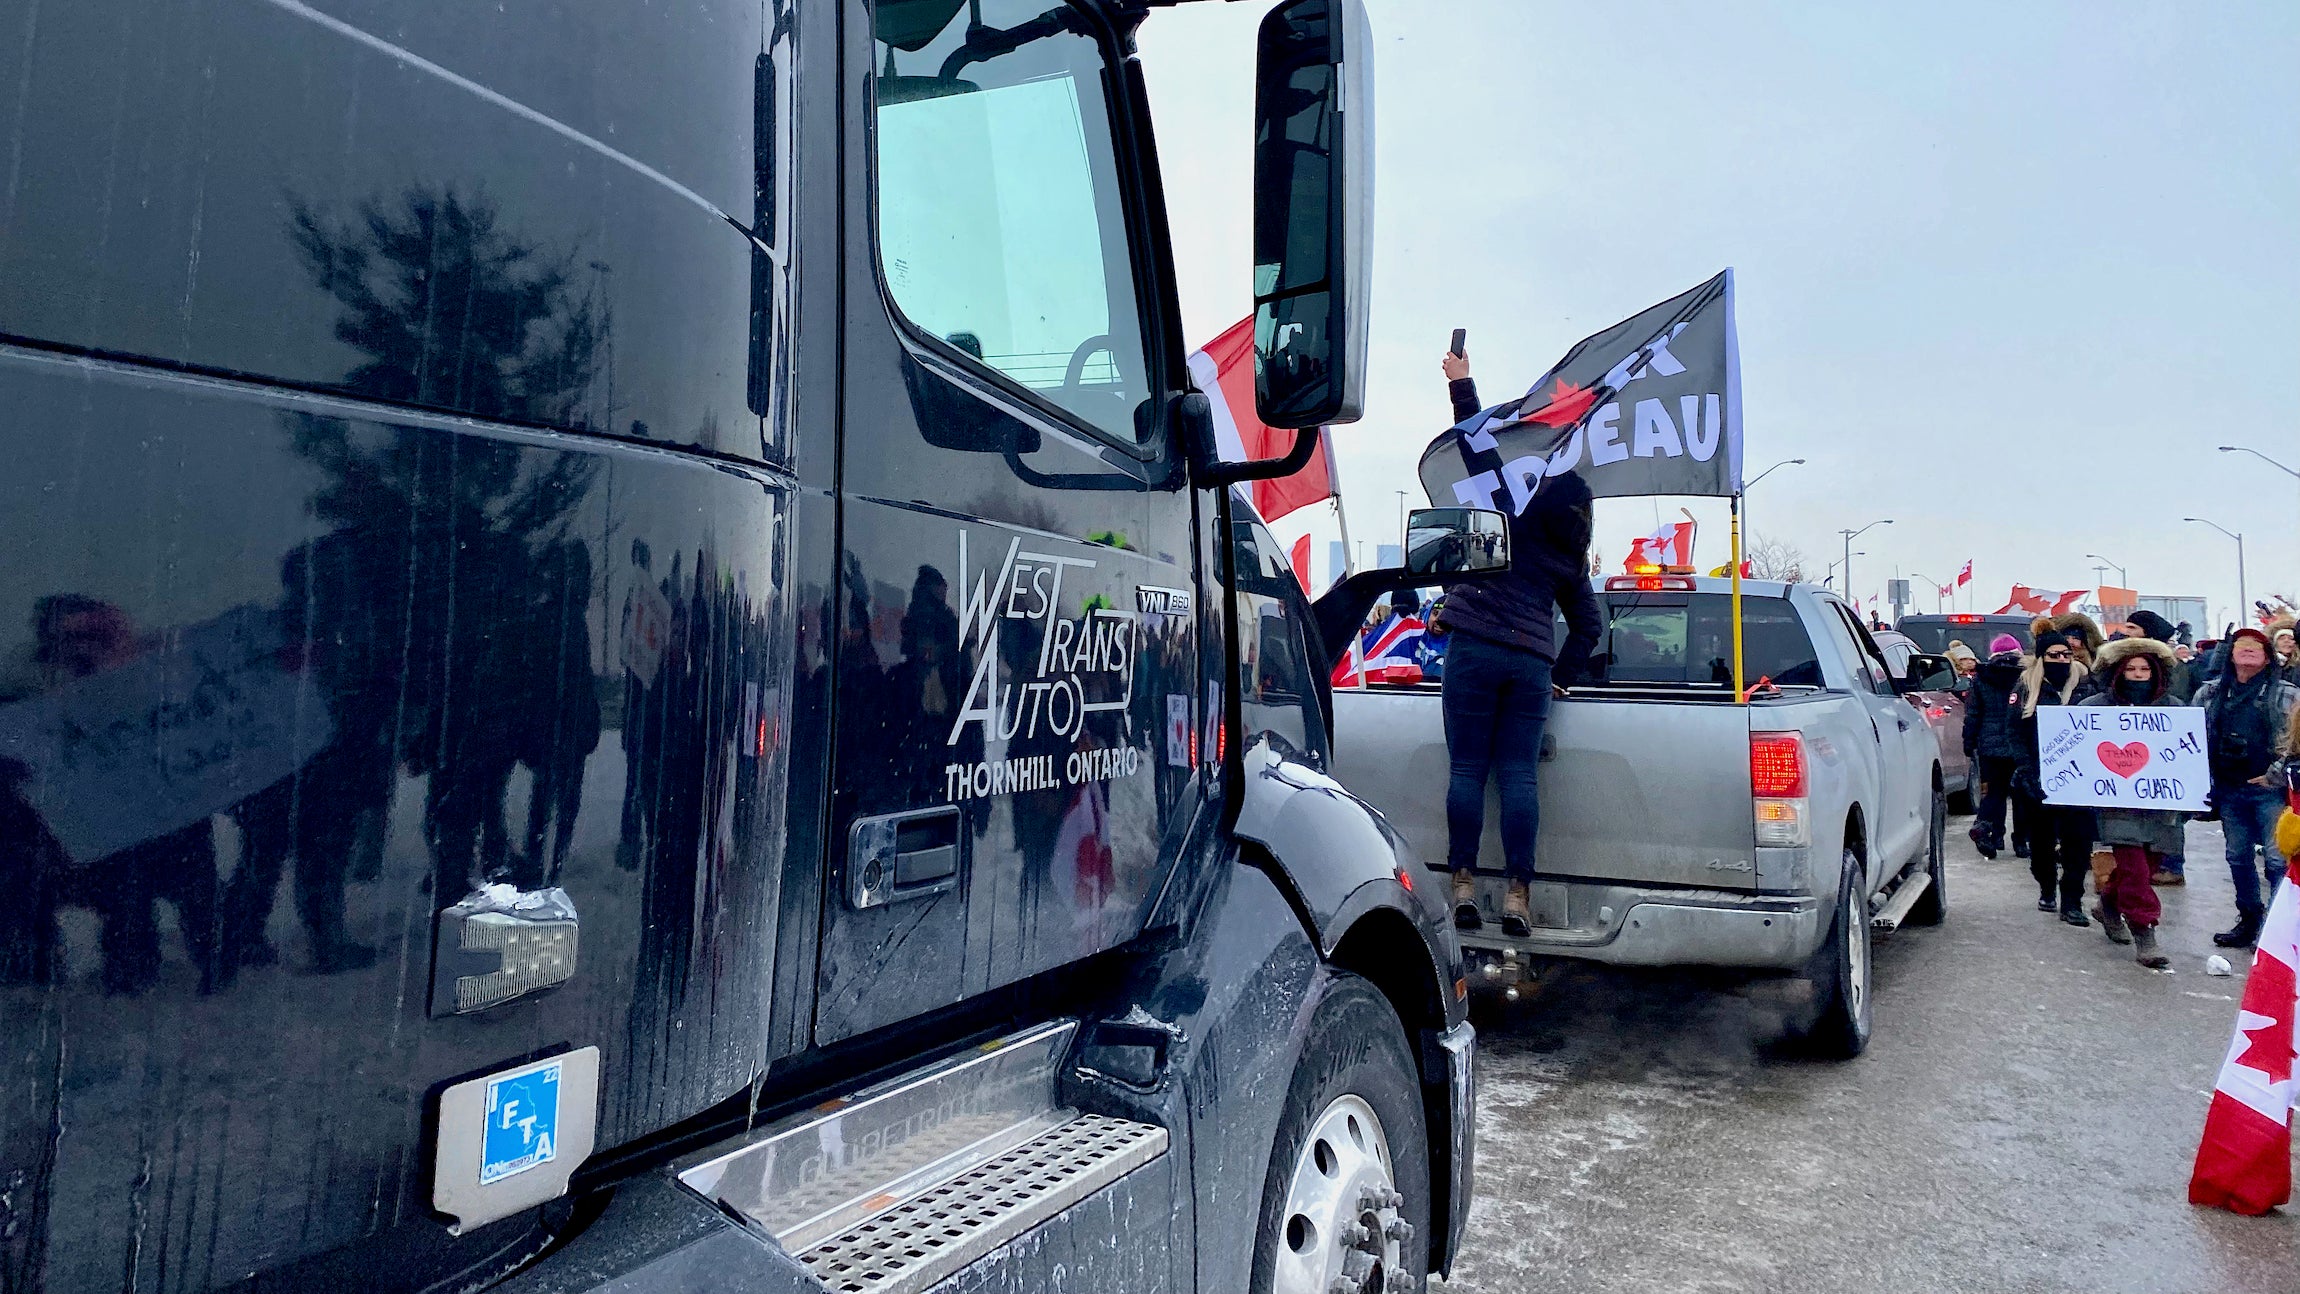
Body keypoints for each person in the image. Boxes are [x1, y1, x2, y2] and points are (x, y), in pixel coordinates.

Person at [1437, 349, 1603, 937]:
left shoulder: (1509, 507)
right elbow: (1589, 626)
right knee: (1518, 777)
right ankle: (1517, 898)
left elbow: (1476, 442)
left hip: (1476, 646)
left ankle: (1461, 885)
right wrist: (1563, 674)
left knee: (1466, 770)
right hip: (1532, 661)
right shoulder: (1569, 554)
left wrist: (1462, 384)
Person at [2077, 638, 2188, 968]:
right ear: (2117, 672)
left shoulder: (2176, 709)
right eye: (2131, 669)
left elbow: (2192, 753)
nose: (2138, 675)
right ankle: (2144, 931)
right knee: (2135, 869)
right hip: (2117, 802)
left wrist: (2196, 792)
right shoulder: (2094, 708)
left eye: (2144, 669)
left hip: (2163, 803)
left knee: (2150, 863)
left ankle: (2109, 904)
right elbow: (2077, 751)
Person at [2195, 626, 2299, 948]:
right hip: (2229, 789)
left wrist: (2275, 773)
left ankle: (2278, 929)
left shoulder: (2288, 693)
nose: (2249, 649)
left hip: (2271, 790)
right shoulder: (2209, 693)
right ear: (2229, 654)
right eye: (2242, 645)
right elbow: (2190, 739)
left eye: (2257, 645)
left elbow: (2296, 742)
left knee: (2277, 860)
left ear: (2269, 657)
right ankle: (2249, 918)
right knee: (2237, 857)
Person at [2009, 628, 2095, 927]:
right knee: (2042, 844)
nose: (2061, 660)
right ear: (2042, 658)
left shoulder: (2084, 684)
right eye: (2053, 655)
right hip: (2037, 777)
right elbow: (2014, 731)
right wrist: (2025, 769)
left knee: (2078, 844)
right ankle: (2047, 886)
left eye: (2066, 654)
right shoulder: (2025, 687)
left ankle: (2072, 901)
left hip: (2079, 779)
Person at [1963, 633, 2027, 859]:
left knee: (1994, 792)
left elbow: (1973, 714)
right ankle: (2020, 843)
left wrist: (1969, 742)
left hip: (1989, 745)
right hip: (2020, 744)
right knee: (2021, 795)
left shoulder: (1981, 678)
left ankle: (1992, 834)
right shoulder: (2025, 676)